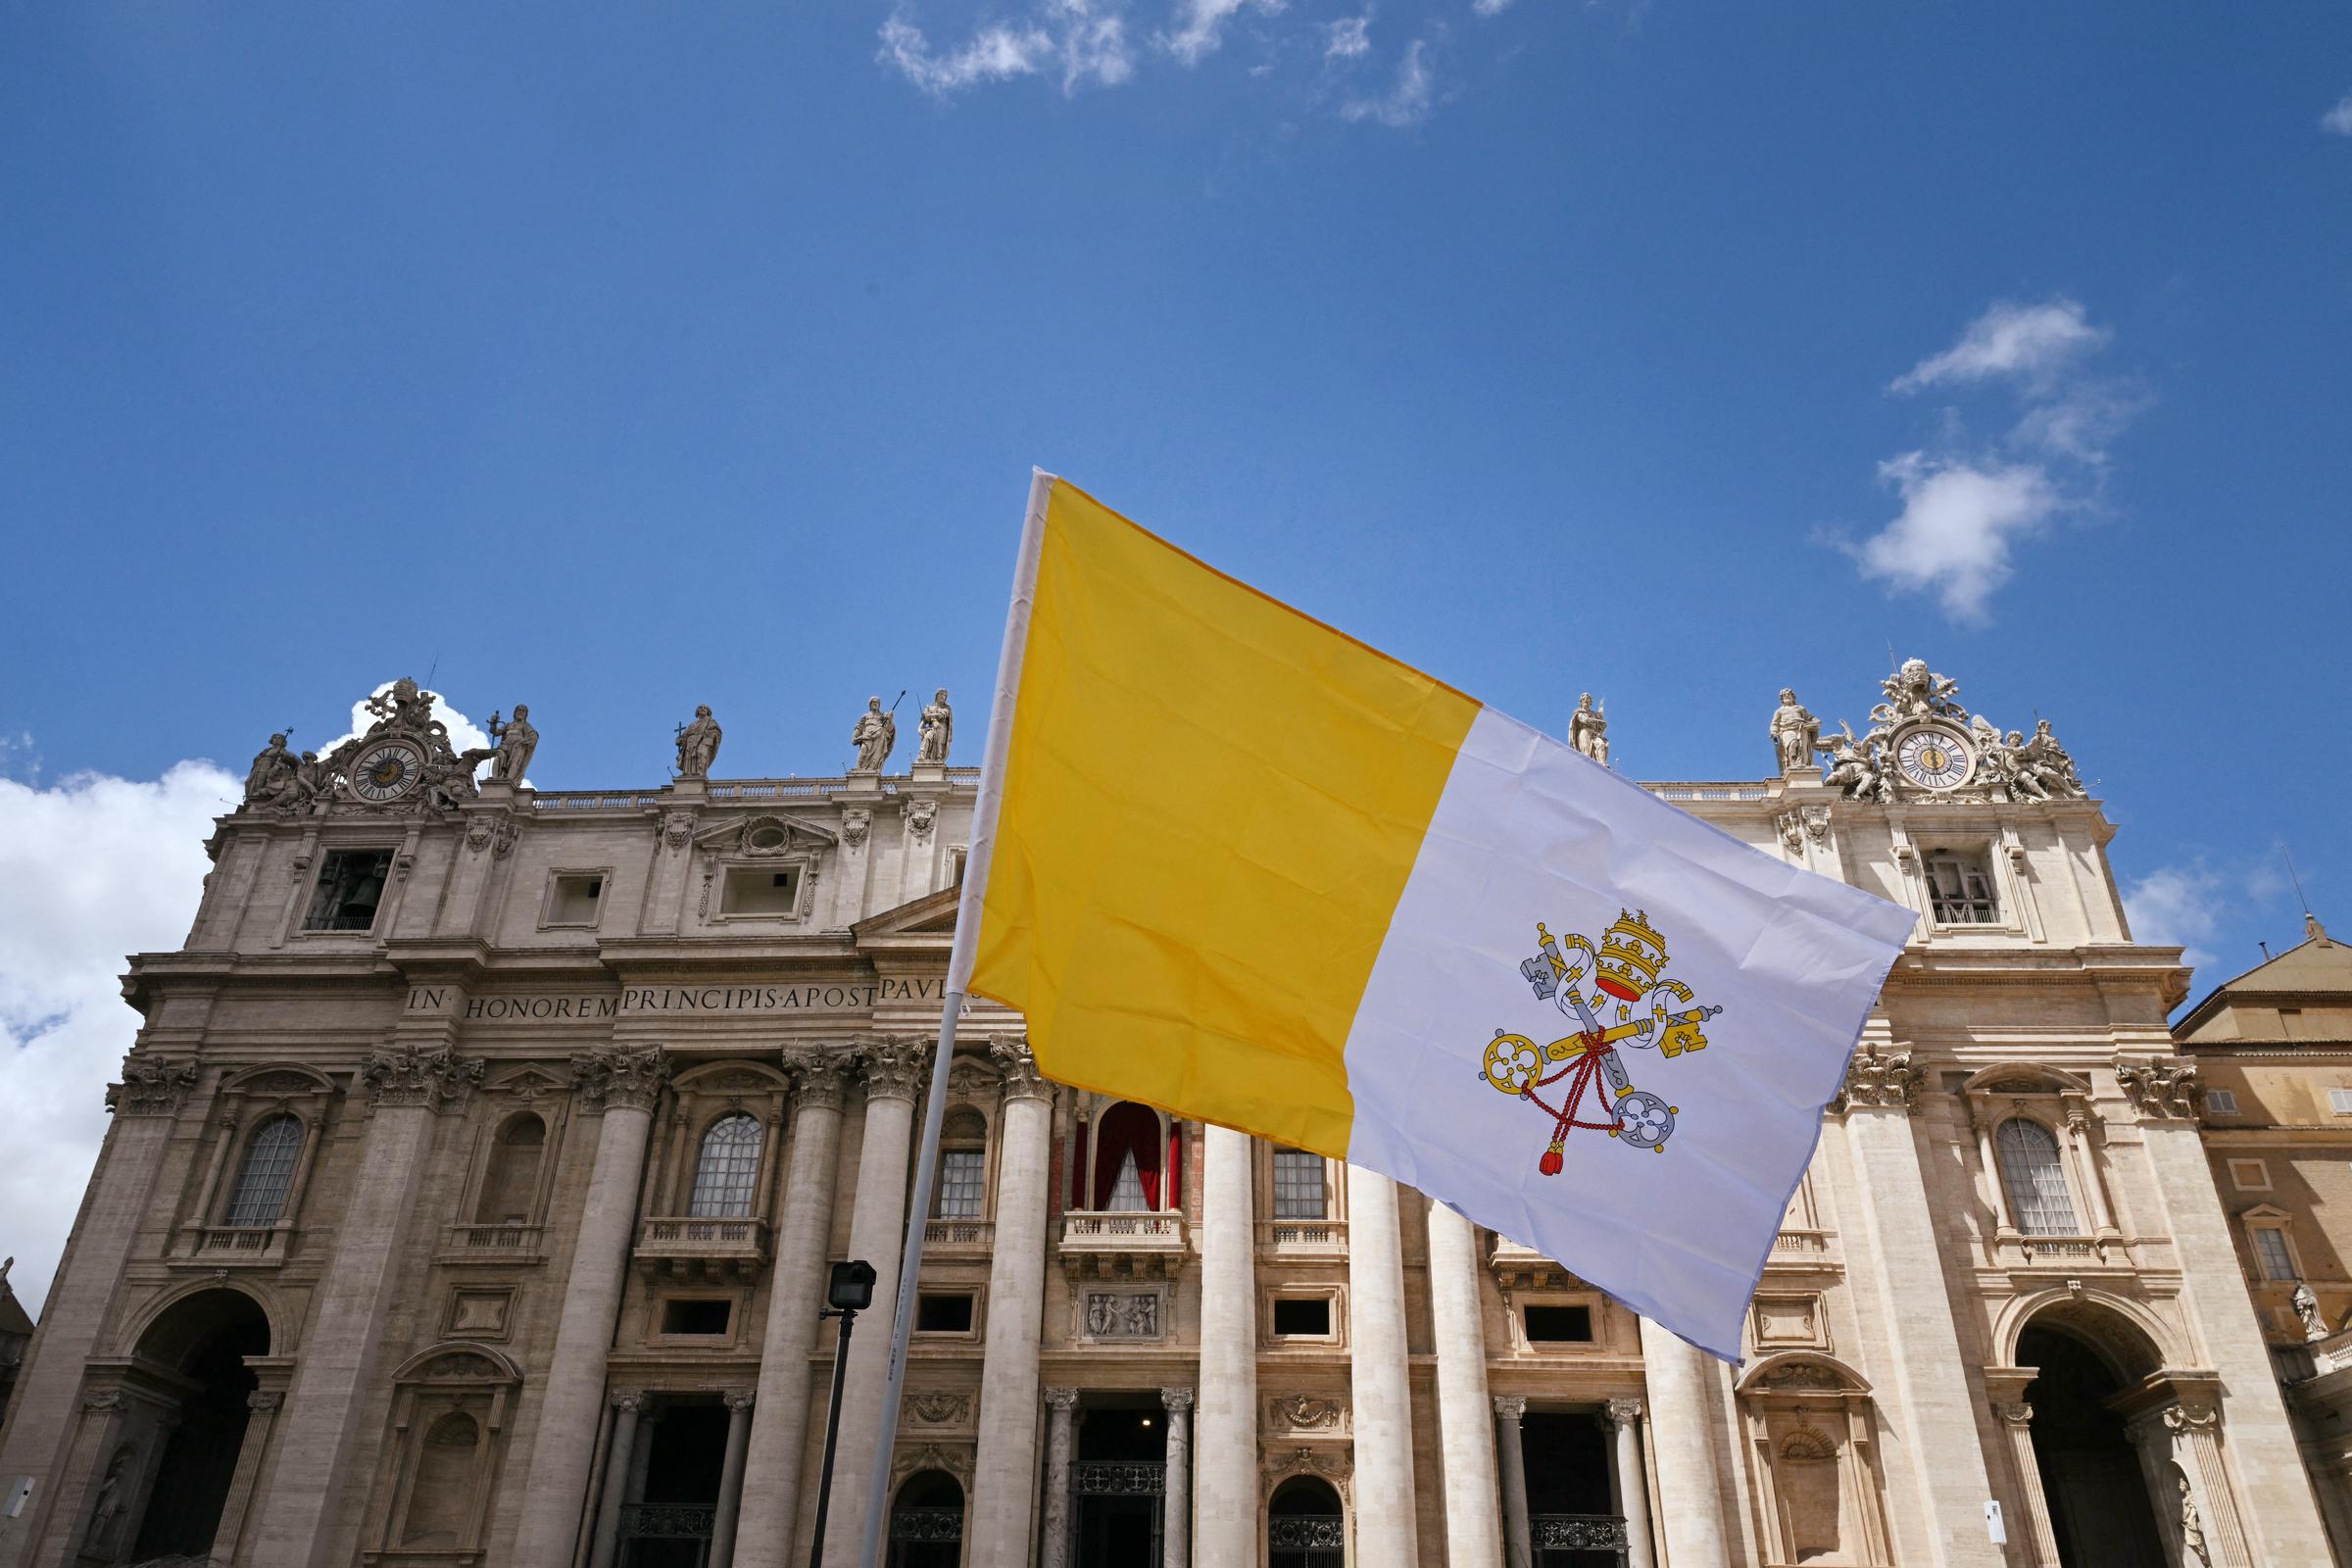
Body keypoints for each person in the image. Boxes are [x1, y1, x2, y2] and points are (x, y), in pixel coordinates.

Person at [676, 706, 722, 779]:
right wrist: (680, 740)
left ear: (708, 712)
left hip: (703, 741)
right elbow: (685, 735)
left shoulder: (711, 722)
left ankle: (700, 774)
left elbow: (717, 732)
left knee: (701, 753)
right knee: (689, 758)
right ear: (697, 712)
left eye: (705, 708)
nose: (702, 709)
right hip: (690, 742)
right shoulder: (692, 724)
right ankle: (687, 775)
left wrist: (711, 734)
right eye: (700, 708)